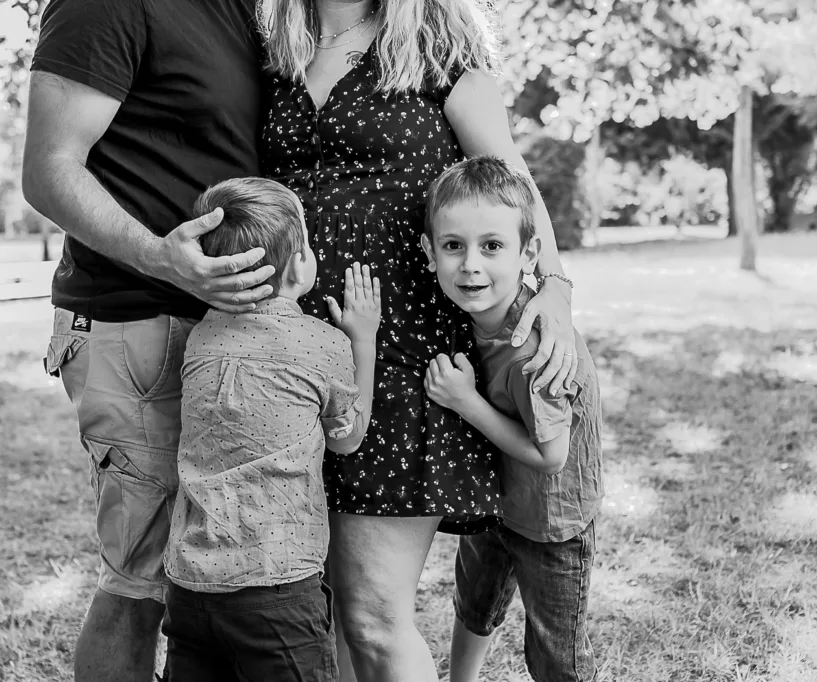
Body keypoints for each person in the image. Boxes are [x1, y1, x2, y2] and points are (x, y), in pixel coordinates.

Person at [258, 1, 578, 679]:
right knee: (331, 612)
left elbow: (512, 181)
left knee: (374, 616)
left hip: (404, 366)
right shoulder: (273, 48)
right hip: (294, 363)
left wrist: (554, 287)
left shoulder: (437, 54)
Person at [23, 1, 274, 679]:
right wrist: (161, 256)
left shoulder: (256, 11)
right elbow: (49, 168)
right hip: (136, 320)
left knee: (216, 581)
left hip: (229, 330)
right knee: (139, 583)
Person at [161, 177, 380, 681]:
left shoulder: (201, 336)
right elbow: (347, 436)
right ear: (301, 260)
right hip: (277, 587)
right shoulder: (320, 343)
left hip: (190, 586)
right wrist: (361, 340)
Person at [420, 157, 603, 682]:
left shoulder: (534, 351)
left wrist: (466, 402)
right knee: (474, 602)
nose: (470, 265)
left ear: (529, 254)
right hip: (497, 498)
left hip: (552, 520)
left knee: (555, 650)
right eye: (453, 246)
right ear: (430, 253)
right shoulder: (473, 314)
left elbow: (552, 456)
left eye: (492, 246)